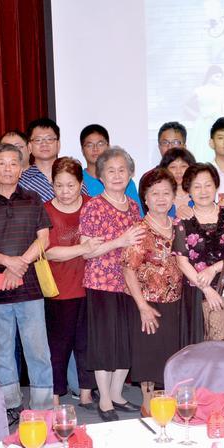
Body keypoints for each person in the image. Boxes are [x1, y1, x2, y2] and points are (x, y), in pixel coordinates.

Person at [0, 143, 54, 422]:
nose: (8, 168)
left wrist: (19, 263)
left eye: (13, 163)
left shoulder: (33, 199)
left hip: (30, 288)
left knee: (38, 350)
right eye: (1, 163)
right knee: (0, 352)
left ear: (21, 169)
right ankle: (9, 405)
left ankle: (43, 407)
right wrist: (7, 261)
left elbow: (44, 239)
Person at [79, 146, 144, 422]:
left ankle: (117, 394)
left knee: (125, 342)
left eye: (122, 170)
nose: (117, 175)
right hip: (102, 284)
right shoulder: (93, 206)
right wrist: (120, 241)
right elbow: (87, 252)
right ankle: (104, 399)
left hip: (129, 284)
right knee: (104, 343)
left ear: (130, 174)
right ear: (101, 176)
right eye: (110, 171)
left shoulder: (133, 206)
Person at [123, 168, 184, 416]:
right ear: (145, 199)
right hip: (148, 303)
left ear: (173, 197)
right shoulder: (140, 230)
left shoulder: (179, 226)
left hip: (176, 302)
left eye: (166, 193)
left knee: (170, 356)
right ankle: (148, 406)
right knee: (148, 358)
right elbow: (128, 270)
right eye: (154, 193)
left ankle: (168, 404)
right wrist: (142, 307)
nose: (161, 198)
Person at [44, 157, 100, 409]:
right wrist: (83, 248)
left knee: (86, 344)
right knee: (58, 346)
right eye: (59, 185)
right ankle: (55, 396)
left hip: (90, 287)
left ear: (80, 184)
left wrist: (85, 249)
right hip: (59, 290)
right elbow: (49, 252)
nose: (65, 192)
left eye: (71, 185)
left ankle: (86, 394)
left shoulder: (92, 205)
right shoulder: (46, 210)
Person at [172, 163, 224, 345]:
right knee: (200, 345)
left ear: (215, 186)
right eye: (197, 186)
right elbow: (181, 262)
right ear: (189, 190)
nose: (203, 191)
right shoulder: (182, 221)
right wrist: (207, 290)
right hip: (197, 292)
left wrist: (213, 269)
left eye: (208, 185)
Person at [79, 124, 143, 214]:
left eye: (100, 144)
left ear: (108, 146)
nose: (95, 149)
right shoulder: (78, 180)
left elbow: (138, 215)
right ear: (82, 150)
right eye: (89, 145)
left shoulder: (123, 181)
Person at [20, 120, 58, 202]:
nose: (44, 144)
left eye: (49, 139)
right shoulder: (20, 182)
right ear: (29, 146)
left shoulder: (73, 175)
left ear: (58, 144)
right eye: (38, 140)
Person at [158, 147, 196, 218]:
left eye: (183, 166)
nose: (178, 171)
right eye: (173, 167)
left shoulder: (200, 195)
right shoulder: (160, 199)